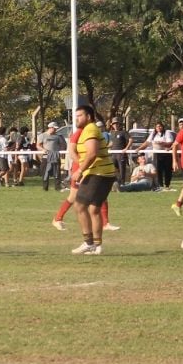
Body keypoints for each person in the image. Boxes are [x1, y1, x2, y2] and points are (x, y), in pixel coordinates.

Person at [52, 126, 119, 232]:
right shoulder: (79, 133)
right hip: (80, 168)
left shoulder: (93, 132)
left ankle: (105, 223)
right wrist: (81, 167)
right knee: (73, 196)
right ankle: (57, 219)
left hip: (92, 168)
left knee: (101, 195)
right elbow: (72, 151)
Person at [70, 105, 117, 255]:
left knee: (79, 206)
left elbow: (92, 153)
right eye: (75, 116)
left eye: (79, 115)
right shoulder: (86, 131)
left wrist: (80, 170)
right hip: (104, 173)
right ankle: (97, 245)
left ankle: (88, 243)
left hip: (98, 173)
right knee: (93, 209)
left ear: (88, 117)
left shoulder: (90, 129)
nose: (76, 119)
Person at [136, 122, 174, 190]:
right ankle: (160, 185)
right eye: (157, 127)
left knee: (167, 170)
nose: (159, 128)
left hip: (167, 154)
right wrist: (139, 148)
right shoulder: (153, 133)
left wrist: (162, 143)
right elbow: (147, 142)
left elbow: (170, 143)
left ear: (162, 127)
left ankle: (167, 185)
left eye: (160, 126)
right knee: (159, 170)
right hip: (157, 154)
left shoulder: (167, 132)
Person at [37, 122, 66, 191]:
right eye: (54, 128)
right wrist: (43, 149)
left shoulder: (58, 136)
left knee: (57, 173)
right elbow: (38, 145)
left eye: (56, 129)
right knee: (45, 173)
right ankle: (45, 188)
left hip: (56, 156)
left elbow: (63, 144)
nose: (56, 130)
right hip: (46, 157)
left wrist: (62, 152)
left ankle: (57, 187)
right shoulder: (42, 135)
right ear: (50, 128)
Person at [108, 118, 133, 186]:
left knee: (122, 169)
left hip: (121, 154)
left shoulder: (123, 132)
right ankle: (116, 182)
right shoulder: (112, 133)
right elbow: (111, 143)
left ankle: (122, 183)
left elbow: (130, 140)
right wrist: (106, 147)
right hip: (113, 154)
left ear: (119, 124)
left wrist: (126, 148)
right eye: (114, 124)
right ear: (112, 125)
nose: (115, 125)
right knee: (113, 169)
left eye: (117, 123)